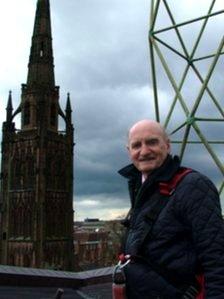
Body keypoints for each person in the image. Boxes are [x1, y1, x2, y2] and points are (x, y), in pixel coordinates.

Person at [118, 119, 224, 299]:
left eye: (152, 142)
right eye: (137, 145)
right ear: (129, 152)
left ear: (167, 146)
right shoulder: (143, 187)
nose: (144, 151)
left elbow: (217, 259)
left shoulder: (194, 185)